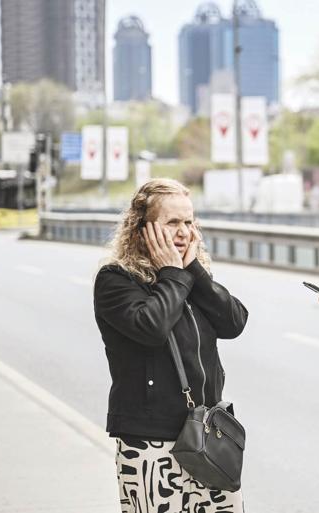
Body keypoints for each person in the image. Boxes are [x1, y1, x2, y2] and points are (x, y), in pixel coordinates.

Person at [93, 178, 248, 513]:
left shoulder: (189, 277)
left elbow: (233, 322)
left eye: (189, 222)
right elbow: (151, 327)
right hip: (151, 440)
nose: (184, 232)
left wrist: (192, 271)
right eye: (173, 223)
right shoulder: (115, 280)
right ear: (141, 229)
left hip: (208, 436)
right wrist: (173, 275)